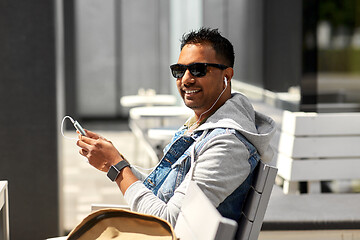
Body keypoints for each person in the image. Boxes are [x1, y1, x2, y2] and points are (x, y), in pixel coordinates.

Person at [76, 27, 275, 227]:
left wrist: (116, 166)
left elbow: (166, 222)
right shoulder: (203, 126)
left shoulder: (228, 145)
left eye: (199, 69)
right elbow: (161, 195)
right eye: (179, 71)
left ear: (227, 76)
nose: (186, 79)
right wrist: (116, 161)